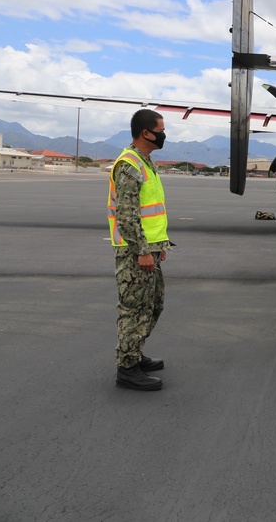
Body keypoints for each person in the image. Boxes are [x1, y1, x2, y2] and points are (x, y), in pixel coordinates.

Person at [107, 109, 172, 392]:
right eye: (160, 129)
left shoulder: (145, 161)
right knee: (134, 309)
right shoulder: (129, 164)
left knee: (153, 305)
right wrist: (143, 251)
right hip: (135, 251)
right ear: (146, 132)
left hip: (150, 248)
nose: (163, 134)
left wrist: (159, 246)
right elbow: (127, 215)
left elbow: (151, 213)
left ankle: (135, 352)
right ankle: (127, 368)